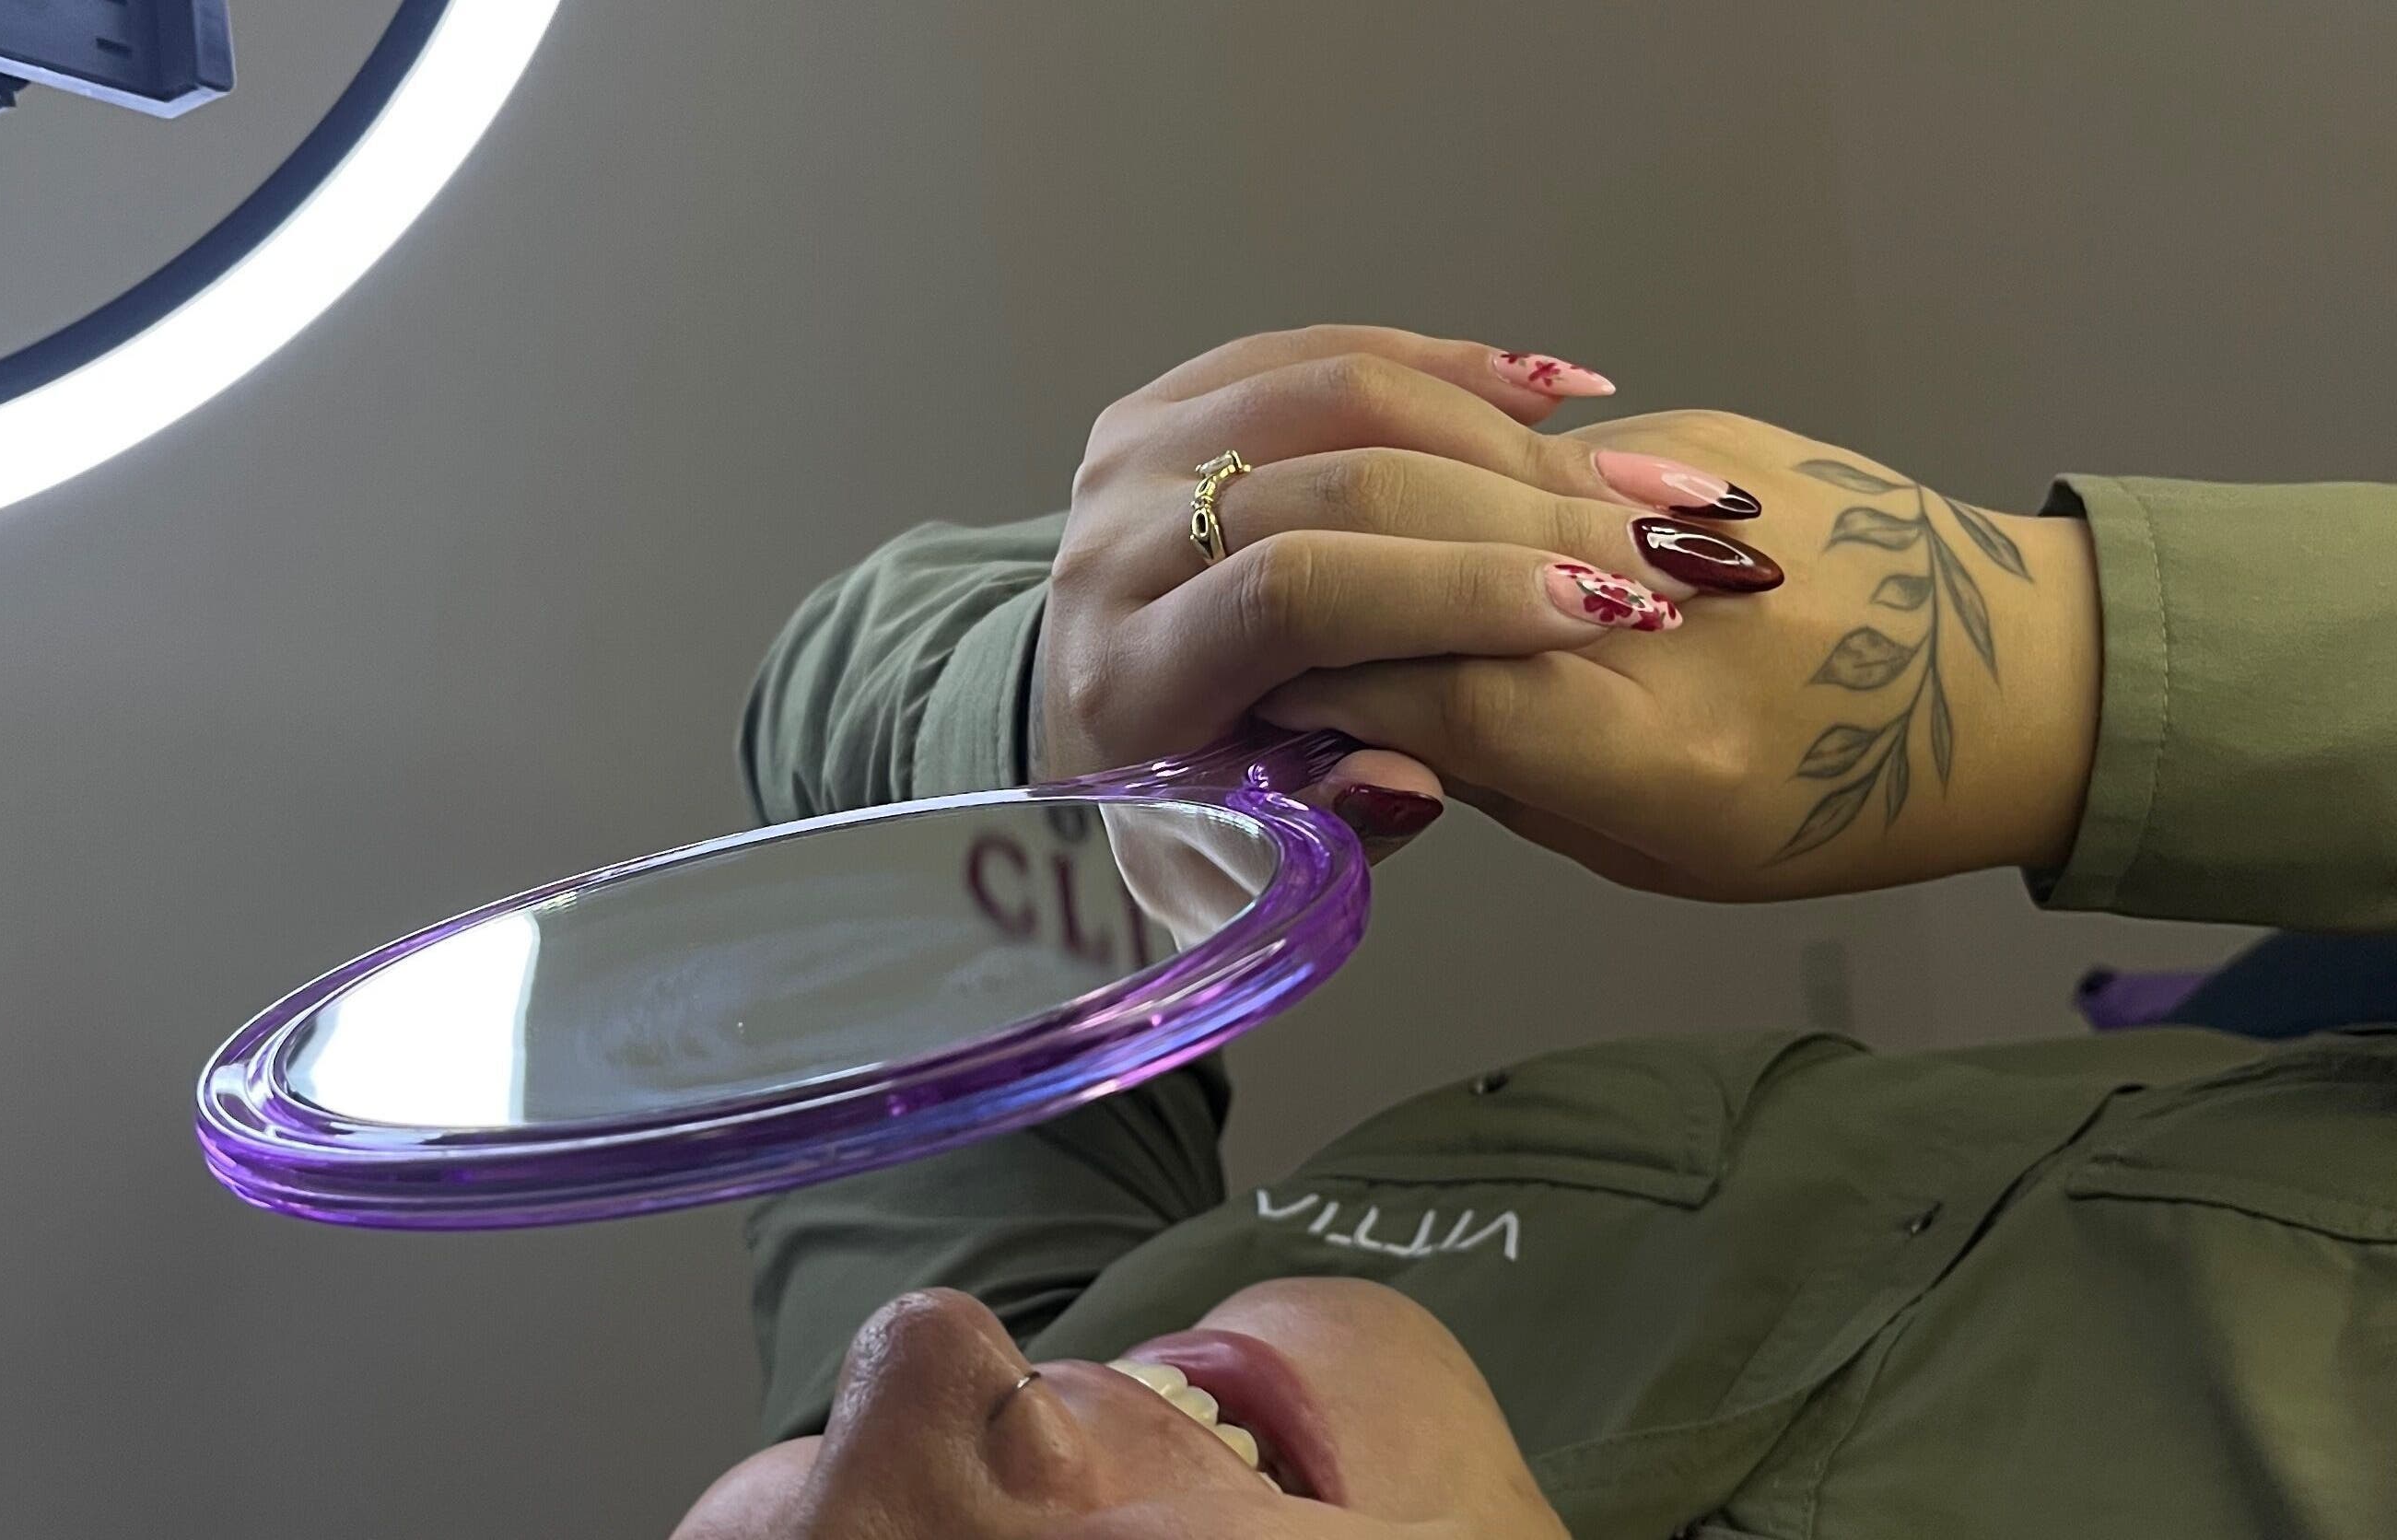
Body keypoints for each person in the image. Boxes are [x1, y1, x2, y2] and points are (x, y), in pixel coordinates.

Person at [679, 327, 2397, 1539]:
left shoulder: (1046, 1391)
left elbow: (830, 769)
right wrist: (2057, 680)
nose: (910, 1375)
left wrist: (1080, 723)